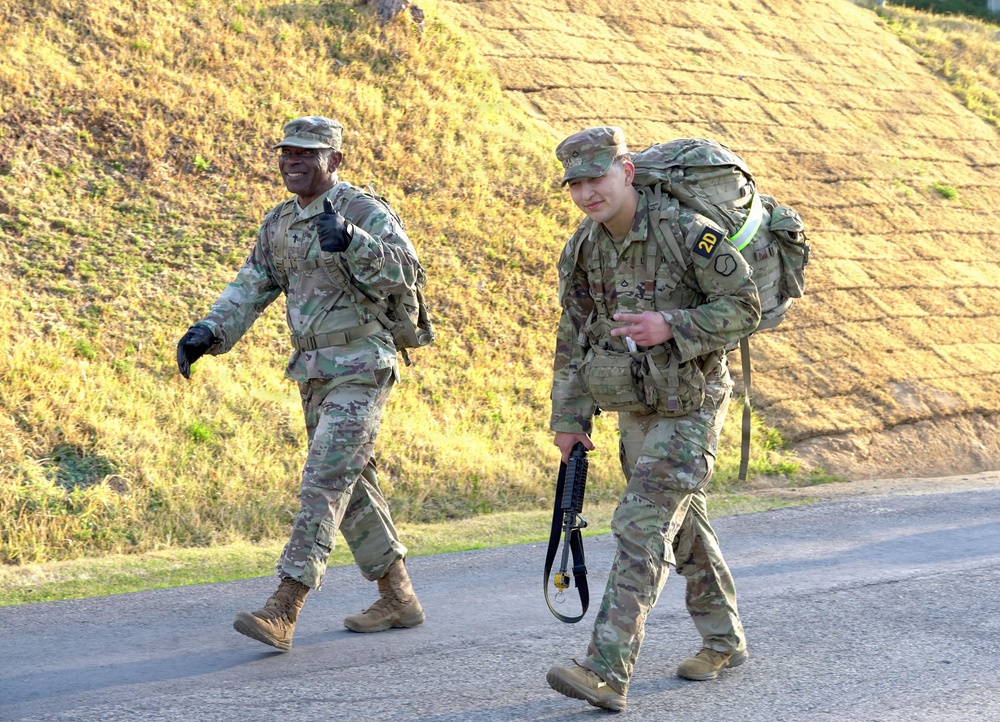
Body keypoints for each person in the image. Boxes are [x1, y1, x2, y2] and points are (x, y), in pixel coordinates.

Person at [176, 116, 426, 651]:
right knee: (351, 485)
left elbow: (406, 272)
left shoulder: (362, 210)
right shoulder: (279, 223)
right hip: (313, 371)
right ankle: (398, 597)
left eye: (307, 154)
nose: (293, 162)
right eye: (287, 153)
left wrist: (354, 242)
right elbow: (252, 284)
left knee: (324, 479)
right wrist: (210, 331)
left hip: (363, 364)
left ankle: (285, 605)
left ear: (335, 160)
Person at [544, 126, 761, 712]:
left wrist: (673, 325)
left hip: (693, 403)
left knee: (641, 525)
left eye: (597, 178)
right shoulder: (584, 247)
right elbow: (574, 334)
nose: (587, 194)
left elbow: (745, 306)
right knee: (680, 527)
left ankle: (605, 670)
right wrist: (570, 417)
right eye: (576, 184)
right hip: (637, 405)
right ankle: (724, 640)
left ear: (627, 172)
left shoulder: (686, 231)